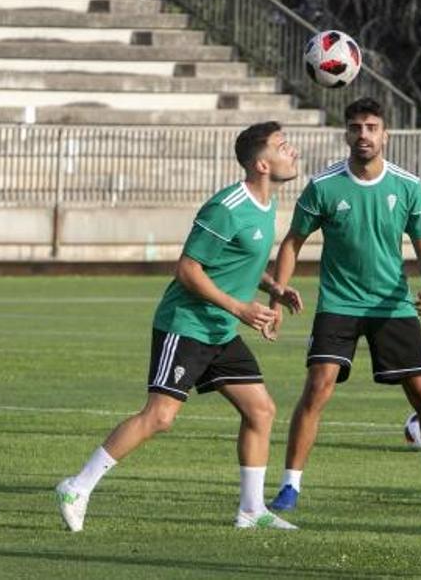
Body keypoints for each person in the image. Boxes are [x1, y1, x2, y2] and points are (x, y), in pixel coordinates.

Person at [56, 121, 304, 532]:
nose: (292, 151)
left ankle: (251, 511)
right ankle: (76, 487)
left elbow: (235, 260)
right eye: (283, 146)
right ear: (262, 163)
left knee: (261, 410)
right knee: (160, 416)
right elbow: (189, 269)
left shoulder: (268, 203)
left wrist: (274, 287)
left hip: (220, 329)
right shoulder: (226, 207)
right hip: (186, 324)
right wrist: (240, 308)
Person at [266, 97, 421, 513]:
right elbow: (293, 242)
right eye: (355, 127)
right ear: (345, 133)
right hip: (339, 303)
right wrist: (277, 295)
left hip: (392, 305)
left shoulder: (407, 185)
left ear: (385, 134)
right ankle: (290, 487)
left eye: (371, 127)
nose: (363, 135)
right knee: (317, 388)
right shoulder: (324, 185)